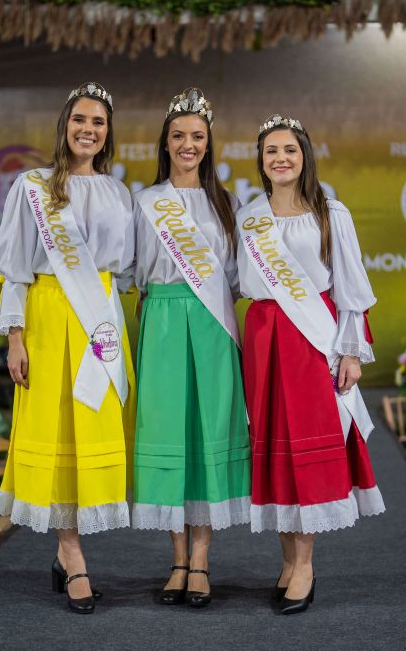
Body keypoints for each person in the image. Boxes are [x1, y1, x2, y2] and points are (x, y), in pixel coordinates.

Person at [0, 82, 136, 614]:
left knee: (90, 427)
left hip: (99, 317)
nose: (88, 130)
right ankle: (71, 553)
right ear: (64, 125)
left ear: (107, 132)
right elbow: (14, 268)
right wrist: (15, 336)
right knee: (53, 430)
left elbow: (124, 271)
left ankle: (68, 549)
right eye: (80, 120)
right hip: (49, 317)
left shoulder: (120, 193)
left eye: (98, 122)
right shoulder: (34, 187)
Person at [237, 114, 384, 614]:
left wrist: (349, 350)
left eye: (289, 150)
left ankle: (305, 565)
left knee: (305, 448)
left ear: (304, 158)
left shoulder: (330, 212)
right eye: (271, 150)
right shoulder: (248, 215)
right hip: (263, 338)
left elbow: (350, 287)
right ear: (260, 159)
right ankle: (286, 560)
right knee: (275, 449)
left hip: (310, 339)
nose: (280, 158)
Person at [131, 87, 251, 608]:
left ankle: (201, 561)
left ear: (209, 143)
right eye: (178, 135)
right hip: (159, 319)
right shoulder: (144, 201)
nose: (188, 144)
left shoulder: (227, 203)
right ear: (166, 142)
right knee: (170, 433)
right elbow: (131, 271)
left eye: (197, 136)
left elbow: (238, 277)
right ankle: (176, 559)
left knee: (207, 434)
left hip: (211, 324)